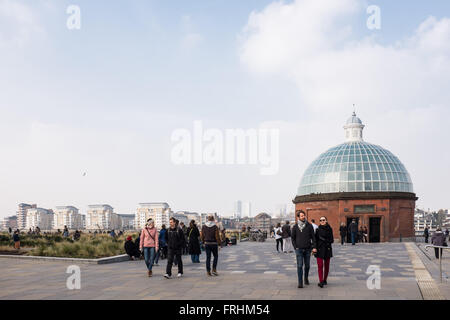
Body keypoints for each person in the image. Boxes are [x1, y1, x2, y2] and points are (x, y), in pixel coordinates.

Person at [291, 210, 317, 288]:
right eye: (301, 216)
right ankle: (300, 282)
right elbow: (293, 238)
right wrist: (295, 247)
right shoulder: (295, 227)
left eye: (304, 215)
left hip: (308, 249)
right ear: (298, 217)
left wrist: (314, 247)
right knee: (299, 266)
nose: (303, 217)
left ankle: (306, 278)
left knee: (307, 266)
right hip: (299, 249)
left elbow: (313, 237)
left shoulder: (309, 225)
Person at [315, 216, 334, 288]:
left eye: (323, 220)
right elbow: (315, 241)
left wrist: (325, 240)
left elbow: (332, 240)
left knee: (327, 266)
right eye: (321, 220)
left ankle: (325, 279)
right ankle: (321, 281)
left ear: (326, 221)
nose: (322, 221)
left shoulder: (330, 229)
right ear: (319, 222)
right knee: (320, 266)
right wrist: (314, 248)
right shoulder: (317, 230)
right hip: (319, 250)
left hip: (327, 249)